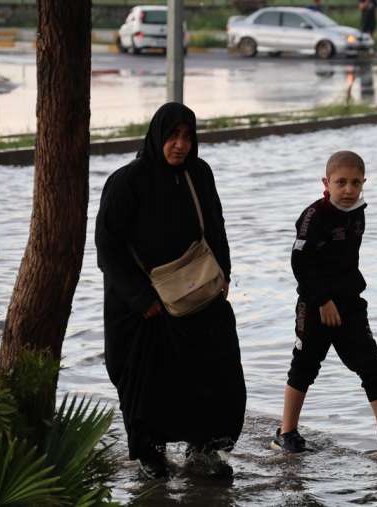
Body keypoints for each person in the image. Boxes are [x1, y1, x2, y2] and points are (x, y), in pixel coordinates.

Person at [95, 102, 247, 479]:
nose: (180, 145)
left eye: (188, 136)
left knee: (217, 370)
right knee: (149, 382)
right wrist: (141, 299)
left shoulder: (199, 173)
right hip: (142, 304)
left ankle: (205, 448)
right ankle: (151, 454)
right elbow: (107, 247)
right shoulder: (127, 181)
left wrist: (223, 274)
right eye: (173, 136)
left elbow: (215, 226)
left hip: (198, 292)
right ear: (157, 136)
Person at [271, 150, 377, 456]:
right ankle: (286, 433)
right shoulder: (314, 216)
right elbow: (300, 263)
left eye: (356, 183)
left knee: (372, 366)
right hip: (316, 306)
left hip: (350, 304)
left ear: (364, 183)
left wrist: (341, 297)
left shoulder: (358, 212)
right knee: (304, 367)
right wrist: (322, 300)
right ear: (326, 182)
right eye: (341, 182)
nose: (349, 189)